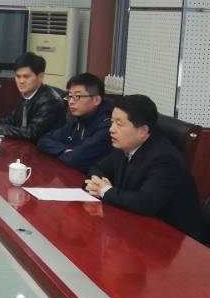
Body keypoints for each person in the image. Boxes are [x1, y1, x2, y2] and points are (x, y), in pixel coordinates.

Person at [85, 94, 203, 239]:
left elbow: (144, 203)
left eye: (119, 124)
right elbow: (97, 168)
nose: (111, 129)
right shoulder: (125, 145)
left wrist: (105, 191)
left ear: (142, 131)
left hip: (171, 239)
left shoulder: (165, 159)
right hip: (135, 226)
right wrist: (98, 184)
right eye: (112, 122)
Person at [37, 73, 114, 172]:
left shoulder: (108, 126)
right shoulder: (79, 118)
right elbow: (43, 140)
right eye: (69, 96)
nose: (71, 102)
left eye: (77, 96)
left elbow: (75, 159)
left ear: (96, 100)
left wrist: (67, 153)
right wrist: (64, 150)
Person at [0, 52, 66, 141]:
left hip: (43, 148)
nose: (21, 81)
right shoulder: (27, 93)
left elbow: (32, 133)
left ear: (40, 77)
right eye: (18, 76)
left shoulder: (50, 101)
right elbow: (14, 120)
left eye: (26, 77)